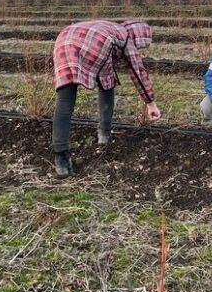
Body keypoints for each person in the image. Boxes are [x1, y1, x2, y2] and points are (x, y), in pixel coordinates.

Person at [51, 20, 161, 177]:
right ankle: (104, 136)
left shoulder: (112, 27)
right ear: (138, 35)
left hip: (64, 39)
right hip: (94, 43)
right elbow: (138, 72)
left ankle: (60, 159)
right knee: (107, 84)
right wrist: (150, 103)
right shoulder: (126, 37)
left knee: (65, 98)